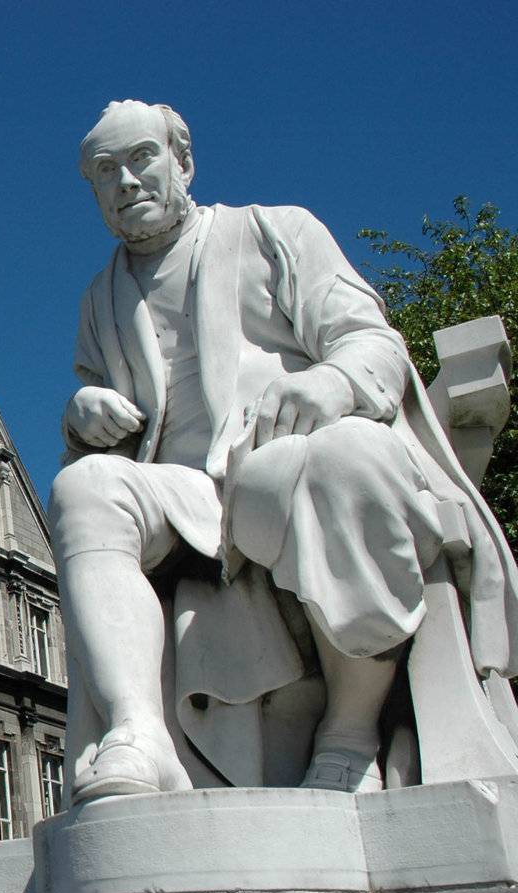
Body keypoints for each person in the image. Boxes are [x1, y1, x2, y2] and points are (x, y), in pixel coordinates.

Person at [51, 99, 518, 802]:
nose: (125, 182)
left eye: (141, 158)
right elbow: (98, 407)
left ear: (183, 161)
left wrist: (331, 384)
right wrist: (82, 414)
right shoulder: (101, 299)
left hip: (289, 451)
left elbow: (372, 343)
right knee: (82, 491)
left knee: (331, 462)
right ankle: (138, 731)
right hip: (184, 492)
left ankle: (351, 729)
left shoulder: (275, 231)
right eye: (105, 172)